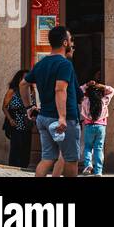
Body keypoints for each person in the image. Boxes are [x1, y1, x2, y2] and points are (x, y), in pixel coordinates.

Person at [20, 25, 81, 178]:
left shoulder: (41, 64)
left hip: (44, 117)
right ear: (65, 43)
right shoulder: (64, 64)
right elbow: (60, 90)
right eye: (70, 39)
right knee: (71, 159)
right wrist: (62, 117)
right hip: (62, 119)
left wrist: (29, 107)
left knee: (47, 158)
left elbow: (23, 84)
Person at [78, 78, 114, 176]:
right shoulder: (104, 100)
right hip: (101, 127)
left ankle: (88, 165)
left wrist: (87, 84)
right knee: (99, 148)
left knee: (88, 147)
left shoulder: (85, 101)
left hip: (89, 126)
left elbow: (79, 90)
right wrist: (101, 86)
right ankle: (98, 171)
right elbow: (112, 90)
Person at [2, 69, 32, 169]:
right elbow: (4, 107)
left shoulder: (30, 91)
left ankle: (24, 168)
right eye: (24, 77)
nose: (26, 79)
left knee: (26, 149)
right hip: (16, 124)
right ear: (19, 78)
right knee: (16, 148)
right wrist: (10, 119)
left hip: (27, 124)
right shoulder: (12, 91)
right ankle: (13, 169)